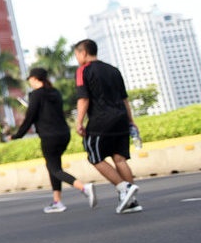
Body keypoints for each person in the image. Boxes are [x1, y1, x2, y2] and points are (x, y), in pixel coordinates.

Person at [12, 67, 97, 213]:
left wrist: (17, 135)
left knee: (54, 168)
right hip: (64, 134)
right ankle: (57, 202)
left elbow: (29, 118)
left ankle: (83, 187)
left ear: (34, 79)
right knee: (54, 166)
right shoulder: (55, 92)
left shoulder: (36, 95)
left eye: (30, 80)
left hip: (49, 136)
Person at [72, 39, 142, 214]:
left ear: (83, 53)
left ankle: (123, 188)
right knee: (120, 159)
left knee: (94, 157)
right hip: (121, 118)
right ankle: (131, 201)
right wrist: (130, 120)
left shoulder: (83, 70)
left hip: (101, 121)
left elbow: (84, 98)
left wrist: (79, 122)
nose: (77, 58)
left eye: (77, 54)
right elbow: (124, 98)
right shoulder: (113, 70)